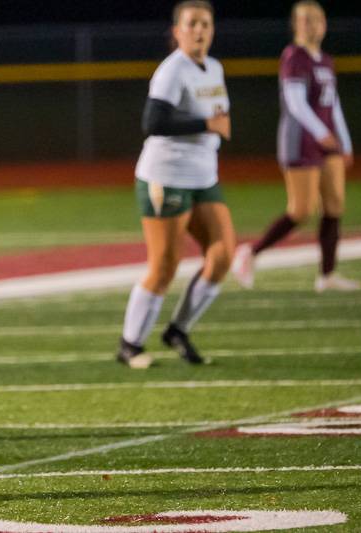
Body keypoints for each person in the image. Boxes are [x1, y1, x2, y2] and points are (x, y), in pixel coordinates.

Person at [116, 0, 235, 369]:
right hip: (166, 177)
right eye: (192, 24)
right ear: (177, 31)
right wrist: (206, 127)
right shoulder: (171, 71)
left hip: (203, 176)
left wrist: (216, 126)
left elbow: (213, 114)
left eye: (205, 24)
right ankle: (130, 344)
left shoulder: (213, 67)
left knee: (222, 255)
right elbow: (152, 122)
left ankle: (178, 330)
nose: (199, 30)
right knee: (165, 266)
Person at [231, 1, 359, 293]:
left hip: (326, 140)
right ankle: (250, 253)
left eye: (318, 19)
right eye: (307, 20)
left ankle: (327, 276)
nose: (314, 25)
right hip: (301, 139)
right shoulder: (294, 57)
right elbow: (295, 102)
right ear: (296, 25)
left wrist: (344, 141)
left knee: (335, 204)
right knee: (301, 210)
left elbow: (333, 104)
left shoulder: (326, 60)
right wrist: (320, 131)